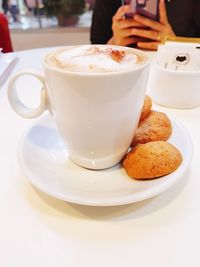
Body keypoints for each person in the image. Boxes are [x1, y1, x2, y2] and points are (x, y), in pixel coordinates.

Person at [90, 0, 200, 50]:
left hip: (179, 82)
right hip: (122, 79)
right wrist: (113, 44)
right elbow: (96, 45)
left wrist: (175, 45)